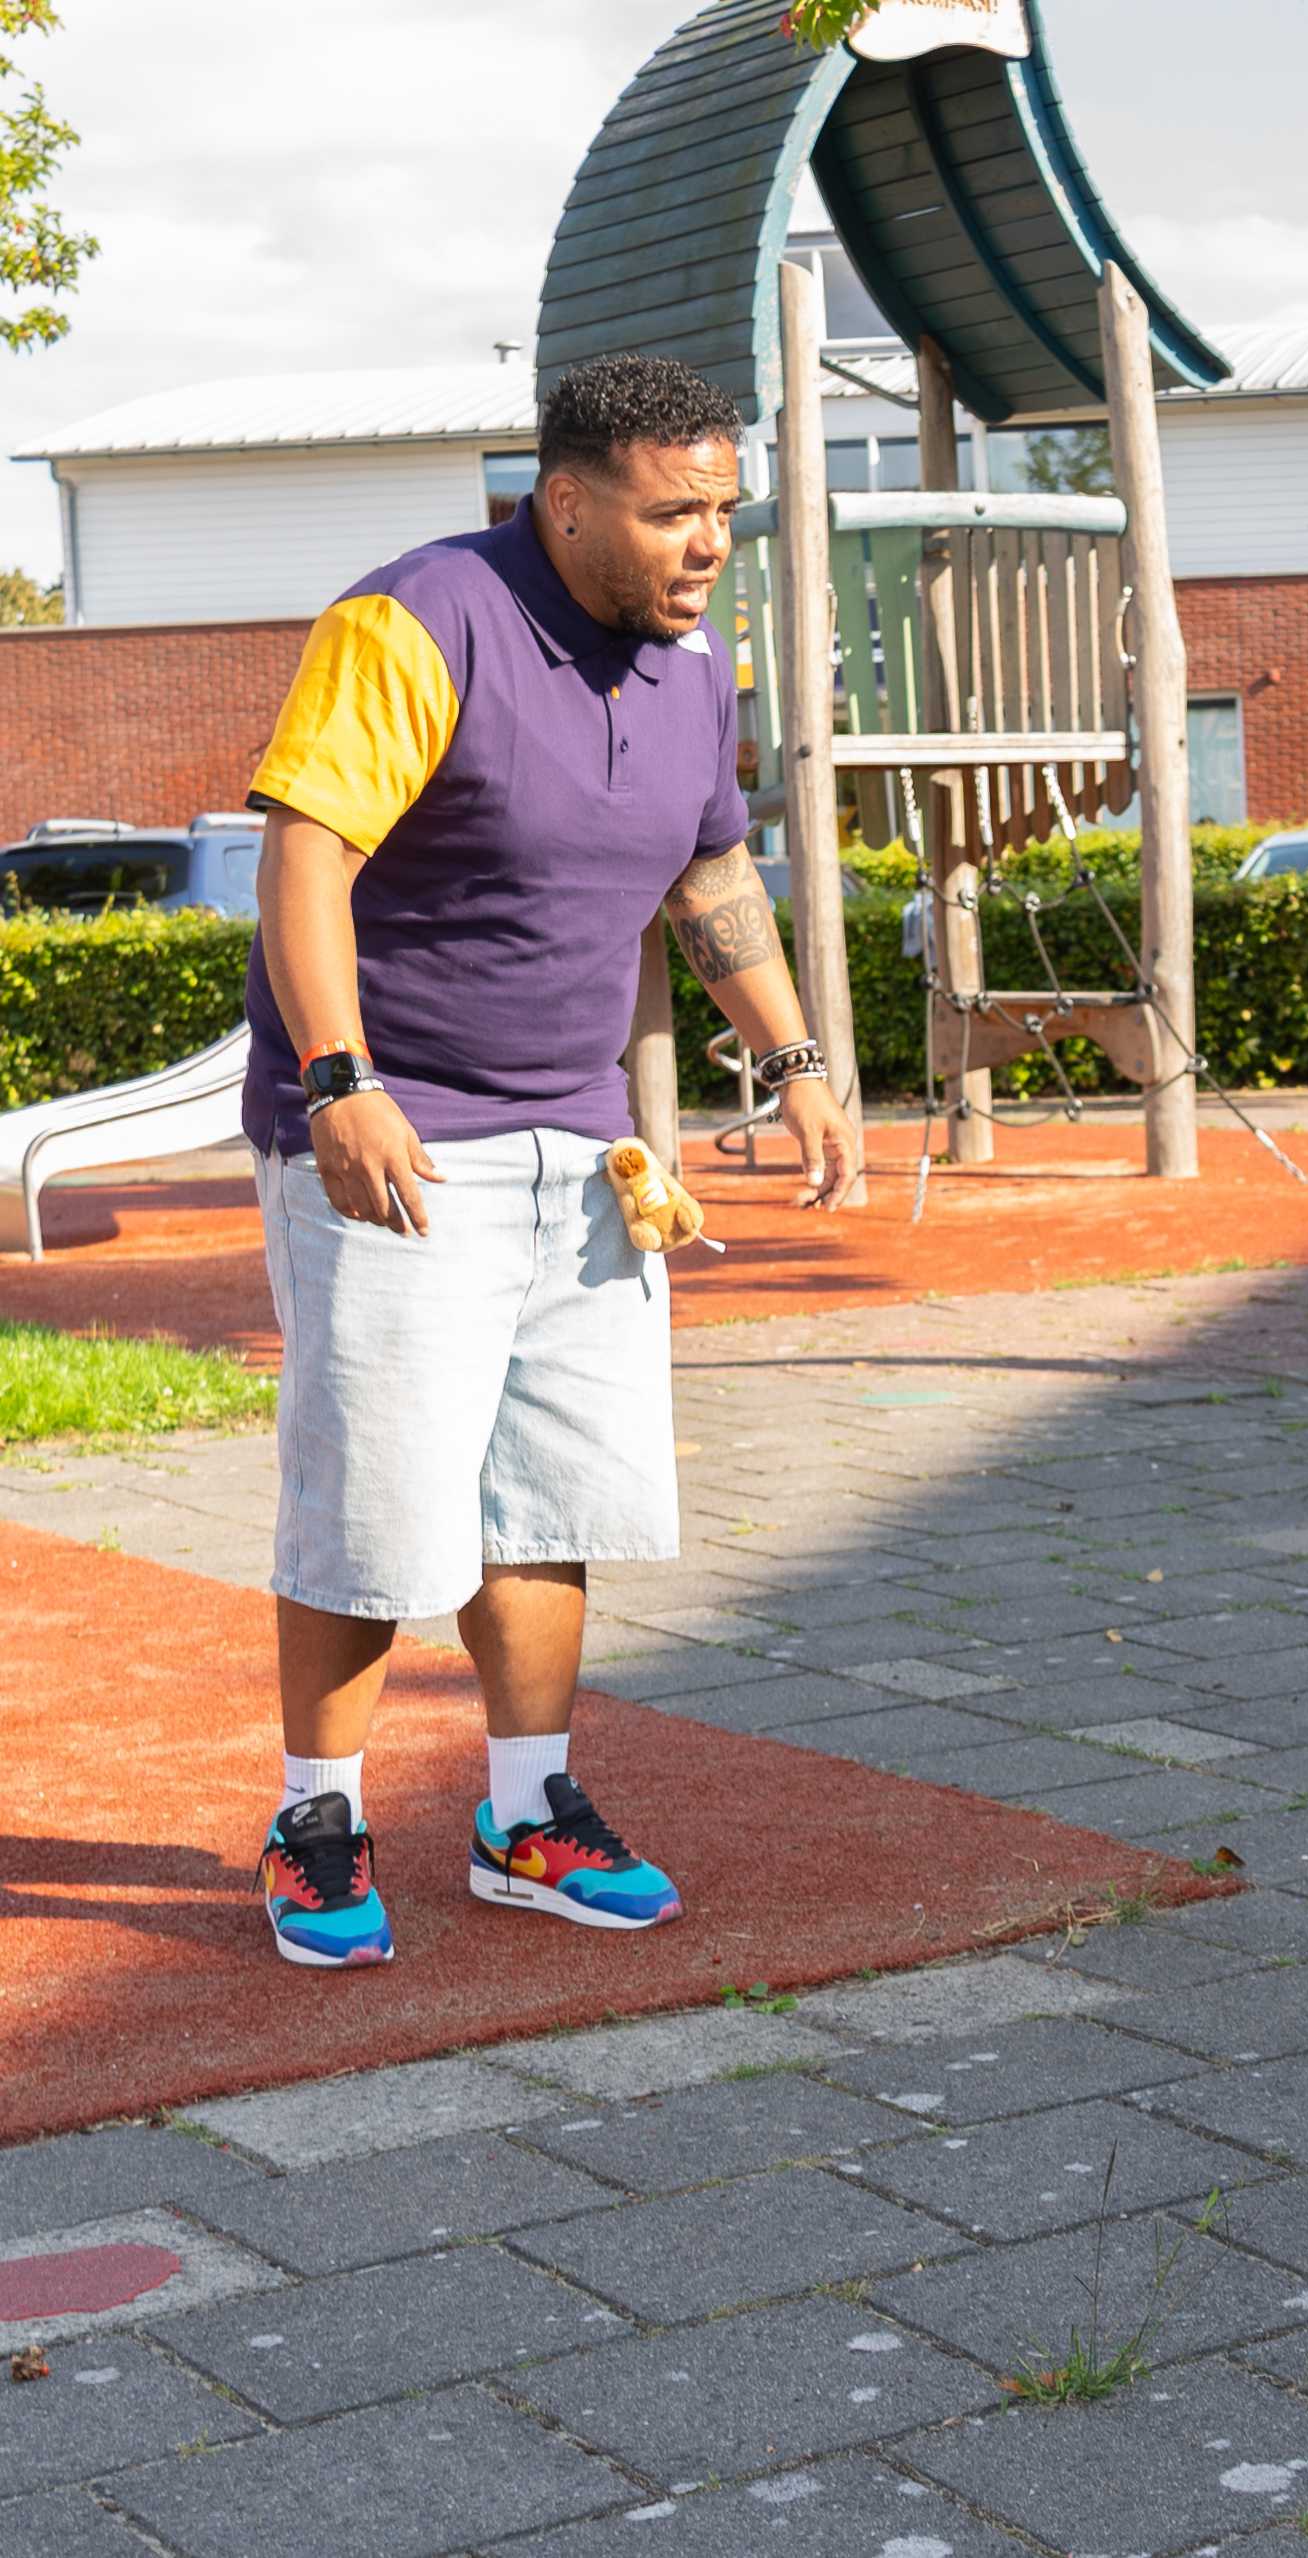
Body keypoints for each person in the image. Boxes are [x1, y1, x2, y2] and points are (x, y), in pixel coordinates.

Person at [244, 353, 858, 1969]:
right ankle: (317, 1821)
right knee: (373, 1506)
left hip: (579, 1140)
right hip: (395, 1140)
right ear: (567, 500)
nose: (709, 542)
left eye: (727, 509)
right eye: (675, 512)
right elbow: (305, 858)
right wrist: (338, 1081)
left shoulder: (690, 662)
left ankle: (527, 1812)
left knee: (545, 1495)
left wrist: (792, 1056)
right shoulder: (415, 620)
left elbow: (712, 867)